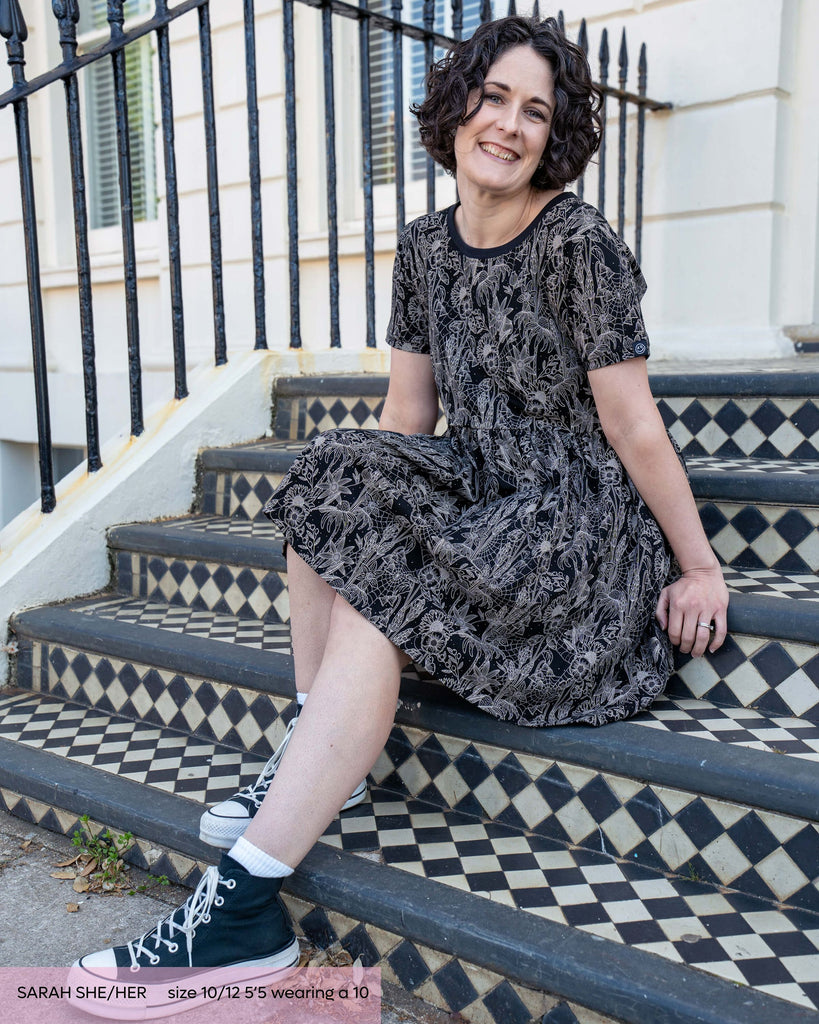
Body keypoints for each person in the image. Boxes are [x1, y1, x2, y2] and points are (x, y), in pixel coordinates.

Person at [70, 14, 729, 1015]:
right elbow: (407, 415)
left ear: (556, 136)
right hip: (480, 480)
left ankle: (242, 909)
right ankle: (319, 746)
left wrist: (700, 566)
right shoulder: (425, 244)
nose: (509, 124)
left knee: (388, 584)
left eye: (535, 110)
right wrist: (363, 500)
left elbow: (632, 423)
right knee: (333, 480)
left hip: (575, 520)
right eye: (494, 96)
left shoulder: (576, 238)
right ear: (458, 102)